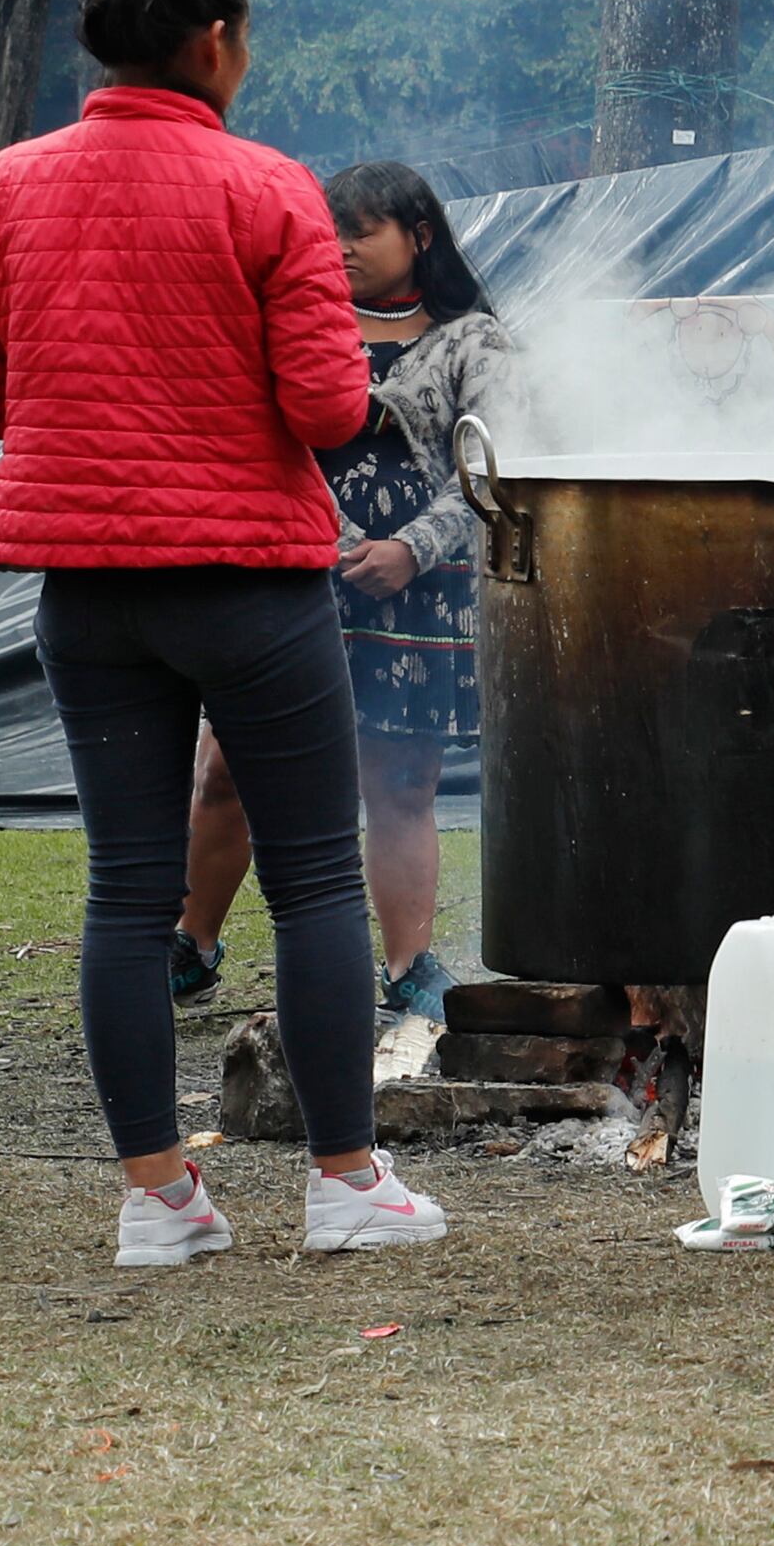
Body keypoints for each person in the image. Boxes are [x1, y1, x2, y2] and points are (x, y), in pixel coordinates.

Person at [0, 0, 446, 1264]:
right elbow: (329, 405)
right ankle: (347, 1181)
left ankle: (156, 1199)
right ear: (216, 41)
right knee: (317, 883)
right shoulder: (270, 187)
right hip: (251, 582)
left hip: (86, 588)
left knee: (126, 888)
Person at [173, 161, 511, 1021]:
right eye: (334, 230)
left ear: (420, 236)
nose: (344, 246)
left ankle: (408, 965)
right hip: (287, 576)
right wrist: (331, 535)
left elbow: (499, 468)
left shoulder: (476, 341)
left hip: (419, 596)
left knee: (398, 782)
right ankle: (192, 943)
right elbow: (252, 438)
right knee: (227, 770)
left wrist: (412, 547)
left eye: (363, 229)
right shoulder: (289, 327)